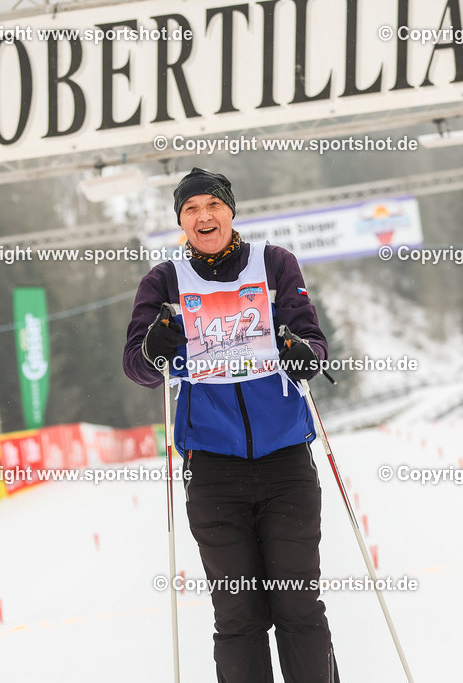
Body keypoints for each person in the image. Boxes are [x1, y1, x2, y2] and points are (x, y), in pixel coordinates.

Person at [123, 168, 341, 682]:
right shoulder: (163, 282)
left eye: (213, 205)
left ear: (231, 211)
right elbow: (136, 365)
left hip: (285, 460)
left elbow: (313, 344)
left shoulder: (274, 263)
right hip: (214, 468)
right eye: (191, 209)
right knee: (238, 616)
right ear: (181, 222)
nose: (204, 216)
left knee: (298, 607)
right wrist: (155, 347)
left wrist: (301, 354)